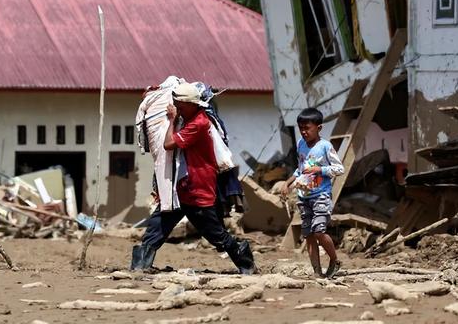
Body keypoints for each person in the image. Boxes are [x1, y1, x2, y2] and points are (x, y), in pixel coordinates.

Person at [130, 83, 257, 274]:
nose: (177, 107)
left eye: (180, 104)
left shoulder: (199, 123)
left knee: (215, 234)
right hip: (181, 188)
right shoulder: (190, 119)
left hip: (198, 190)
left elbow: (168, 143)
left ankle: (245, 262)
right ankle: (140, 264)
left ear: (192, 104)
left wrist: (172, 120)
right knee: (159, 223)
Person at [280, 107, 344, 278]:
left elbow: (339, 168)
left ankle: (335, 260)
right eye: (301, 128)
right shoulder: (301, 144)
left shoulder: (325, 146)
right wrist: (287, 183)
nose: (303, 132)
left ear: (319, 128)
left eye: (307, 128)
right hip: (304, 197)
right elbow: (301, 169)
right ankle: (317, 271)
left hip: (321, 196)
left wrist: (320, 169)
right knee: (308, 235)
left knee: (319, 231)